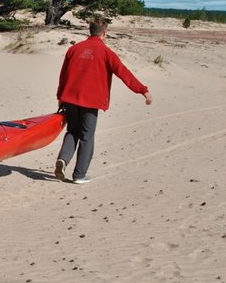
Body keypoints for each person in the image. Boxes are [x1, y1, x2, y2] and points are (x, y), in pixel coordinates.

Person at [54, 15, 152, 184]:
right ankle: (79, 175)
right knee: (87, 136)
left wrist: (60, 96)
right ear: (104, 33)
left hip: (69, 98)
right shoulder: (107, 52)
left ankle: (63, 159)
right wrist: (143, 91)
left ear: (90, 31)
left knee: (72, 131)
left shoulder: (74, 49)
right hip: (90, 102)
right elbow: (124, 73)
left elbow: (63, 75)